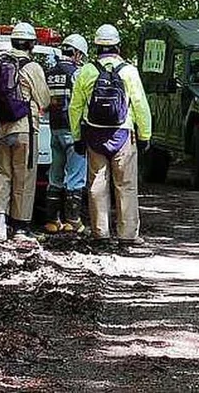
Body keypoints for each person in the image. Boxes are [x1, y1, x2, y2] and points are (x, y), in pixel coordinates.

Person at [69, 24, 151, 250]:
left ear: (97, 46)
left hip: (94, 134)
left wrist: (77, 137)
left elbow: (75, 107)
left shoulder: (86, 71)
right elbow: (141, 106)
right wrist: (144, 135)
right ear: (118, 46)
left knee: (97, 183)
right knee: (126, 185)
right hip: (123, 134)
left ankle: (100, 234)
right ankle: (127, 236)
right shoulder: (129, 71)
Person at [0, 22, 50, 242]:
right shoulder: (32, 67)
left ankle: (0, 224)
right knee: (23, 178)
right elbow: (44, 99)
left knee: (2, 175)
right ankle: (20, 228)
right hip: (25, 129)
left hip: (1, 129)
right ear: (31, 44)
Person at [43, 33, 89, 234]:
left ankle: (52, 221)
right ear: (77, 53)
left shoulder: (50, 73)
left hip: (55, 130)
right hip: (74, 131)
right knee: (76, 176)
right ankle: (73, 220)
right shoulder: (77, 73)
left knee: (55, 175)